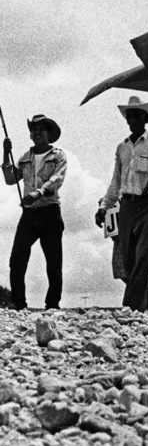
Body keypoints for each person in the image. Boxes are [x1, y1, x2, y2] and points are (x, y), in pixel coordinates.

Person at [95, 96, 148, 312]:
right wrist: (104, 206)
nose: (132, 119)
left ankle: (132, 308)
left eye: (137, 115)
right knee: (129, 260)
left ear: (145, 118)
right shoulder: (122, 148)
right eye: (129, 115)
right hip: (127, 206)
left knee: (143, 255)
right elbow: (116, 181)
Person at [2, 114, 67, 310]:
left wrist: (38, 193)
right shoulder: (24, 158)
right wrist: (5, 154)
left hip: (50, 211)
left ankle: (52, 304)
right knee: (17, 257)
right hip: (29, 214)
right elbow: (11, 179)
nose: (37, 132)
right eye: (34, 129)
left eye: (41, 128)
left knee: (53, 261)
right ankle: (18, 302)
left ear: (49, 133)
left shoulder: (58, 156)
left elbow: (58, 179)